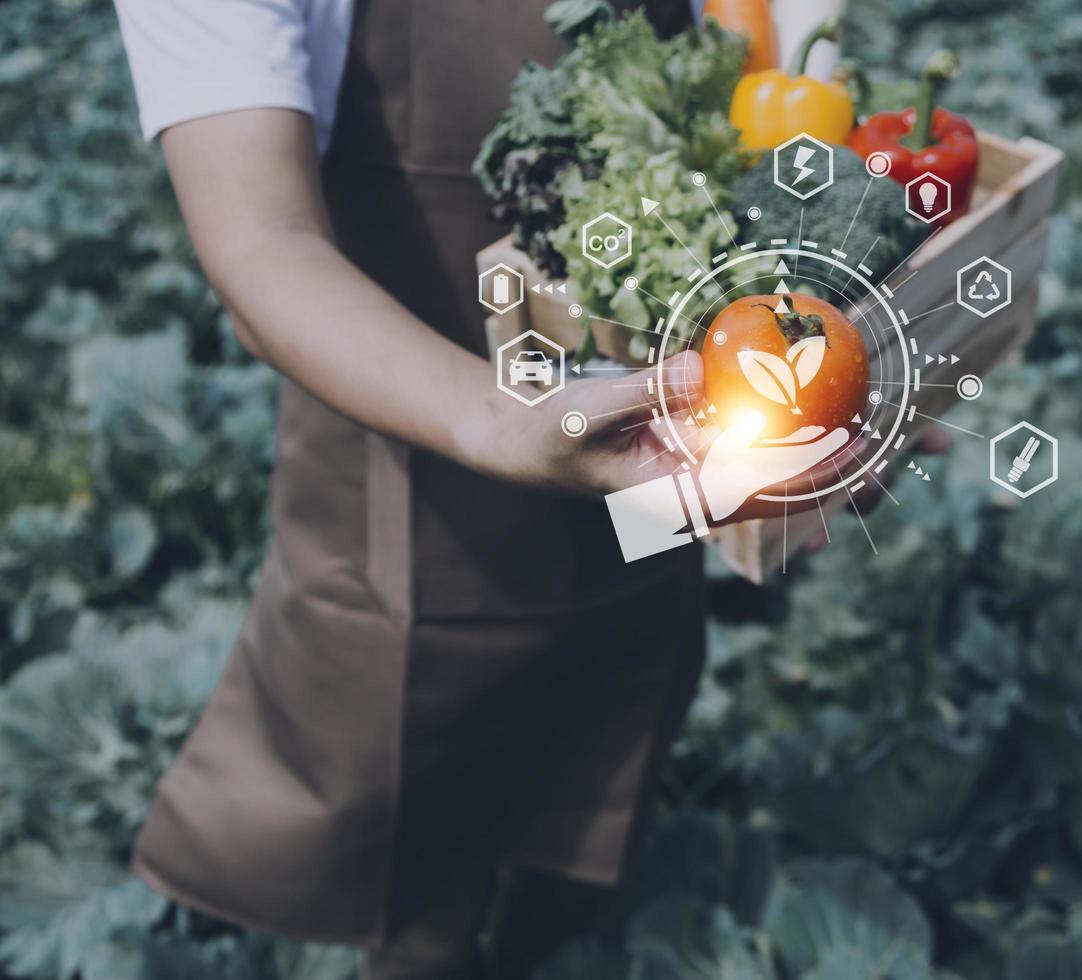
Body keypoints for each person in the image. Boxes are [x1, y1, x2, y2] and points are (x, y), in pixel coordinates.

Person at [113, 1, 712, 977]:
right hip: (406, 451)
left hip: (655, 423)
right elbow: (261, 240)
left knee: (606, 751)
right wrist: (497, 420)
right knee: (423, 837)